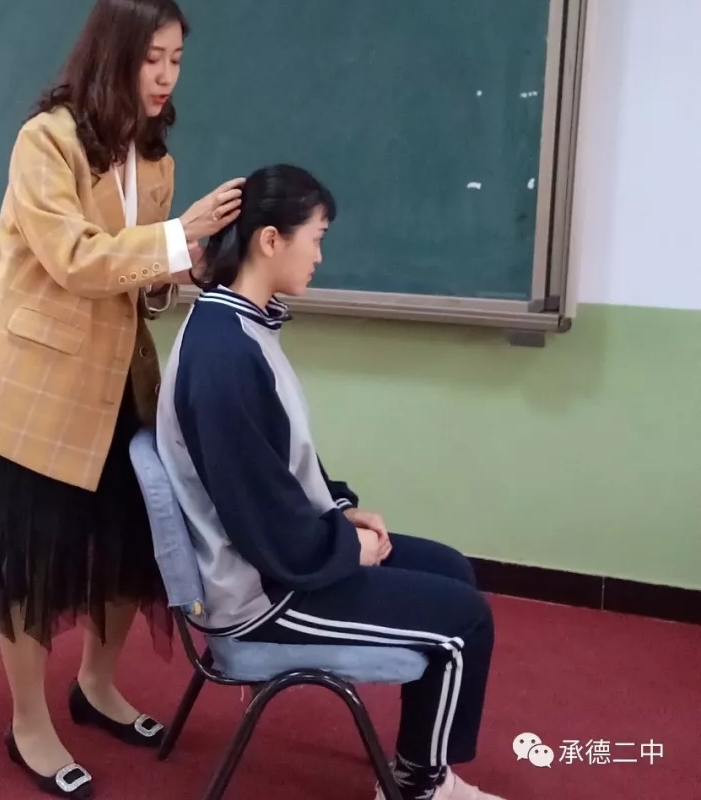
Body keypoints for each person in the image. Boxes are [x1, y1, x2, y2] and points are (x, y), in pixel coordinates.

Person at [0, 0, 243, 798]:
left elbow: (137, 279)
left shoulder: (156, 157)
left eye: (177, 59)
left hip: (120, 386)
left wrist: (182, 269)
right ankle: (28, 723)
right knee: (29, 565)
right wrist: (177, 237)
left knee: (127, 552)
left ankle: (97, 686)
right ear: (115, 55)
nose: (166, 76)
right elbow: (74, 258)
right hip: (32, 393)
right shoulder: (47, 141)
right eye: (152, 59)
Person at [155, 165, 504, 800]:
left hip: (281, 557)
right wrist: (346, 551)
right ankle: (421, 786)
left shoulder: (243, 326)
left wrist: (340, 511)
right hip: (266, 594)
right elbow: (261, 519)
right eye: (315, 239)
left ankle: (415, 768)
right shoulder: (224, 354)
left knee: (451, 570)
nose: (319, 256)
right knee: (465, 623)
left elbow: (281, 463)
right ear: (269, 240)